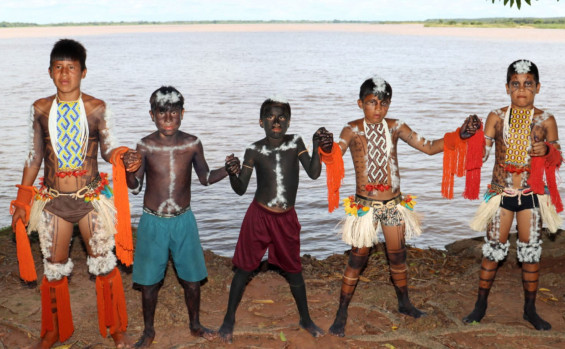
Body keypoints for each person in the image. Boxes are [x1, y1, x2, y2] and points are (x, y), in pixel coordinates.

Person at [9, 39, 137, 348]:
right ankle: (54, 330)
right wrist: (23, 201)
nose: (65, 74)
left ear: (83, 72)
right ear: (50, 72)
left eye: (72, 68)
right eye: (59, 68)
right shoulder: (39, 109)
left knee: (104, 264)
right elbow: (33, 157)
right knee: (53, 267)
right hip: (53, 201)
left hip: (91, 200)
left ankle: (115, 326)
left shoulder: (96, 108)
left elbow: (108, 147)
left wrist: (124, 156)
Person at [328, 75, 474, 337]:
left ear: (389, 104)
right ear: (360, 103)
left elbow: (428, 147)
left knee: (398, 256)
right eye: (372, 103)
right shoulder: (351, 129)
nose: (378, 109)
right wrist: (325, 147)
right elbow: (334, 155)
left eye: (383, 103)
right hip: (365, 207)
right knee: (356, 259)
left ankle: (405, 303)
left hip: (394, 205)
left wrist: (459, 136)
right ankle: (341, 312)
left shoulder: (395, 126)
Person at [123, 86, 235, 347]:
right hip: (153, 221)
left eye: (174, 112)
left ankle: (195, 325)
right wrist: (129, 169)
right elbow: (136, 187)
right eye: (162, 112)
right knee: (150, 284)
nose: (169, 117)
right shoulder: (145, 145)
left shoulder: (192, 143)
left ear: (183, 113)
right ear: (152, 115)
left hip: (183, 220)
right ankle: (149, 331)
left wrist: (228, 170)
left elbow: (205, 178)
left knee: (192, 280)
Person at [217, 96, 333, 343]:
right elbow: (240, 189)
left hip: (286, 218)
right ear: (261, 122)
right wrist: (231, 173)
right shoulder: (254, 150)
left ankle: (305, 319)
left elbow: (313, 173)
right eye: (270, 116)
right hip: (259, 216)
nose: (276, 121)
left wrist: (316, 146)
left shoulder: (295, 143)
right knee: (244, 269)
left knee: (294, 270)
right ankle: (228, 320)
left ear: (289, 122)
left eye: (282, 117)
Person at [462, 60, 562, 331]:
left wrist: (548, 152)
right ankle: (479, 306)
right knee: (493, 250)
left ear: (537, 87)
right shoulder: (495, 116)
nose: (522, 89)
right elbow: (481, 154)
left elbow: (557, 158)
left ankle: (530, 310)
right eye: (516, 84)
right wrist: (467, 137)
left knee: (530, 253)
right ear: (507, 87)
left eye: (528, 84)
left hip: (532, 195)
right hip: (499, 193)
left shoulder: (546, 119)